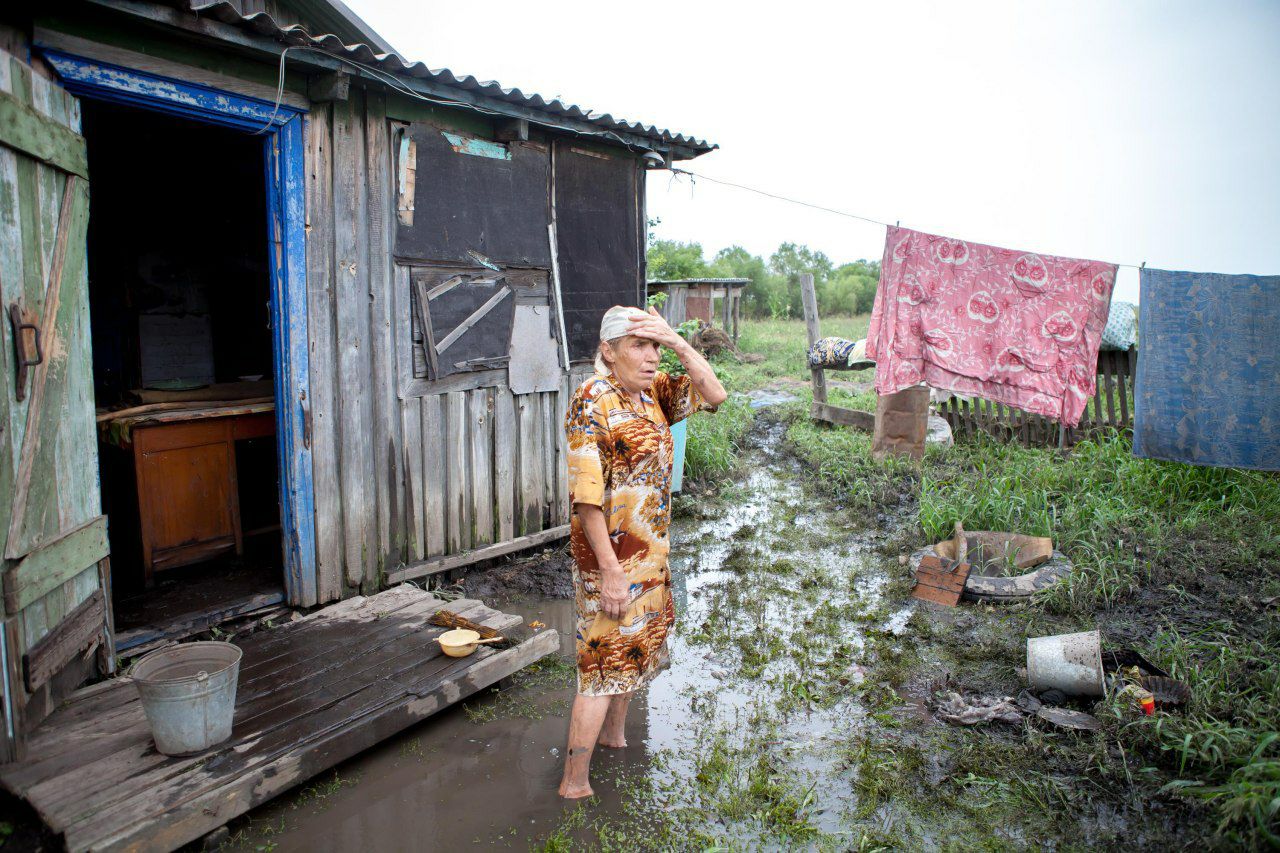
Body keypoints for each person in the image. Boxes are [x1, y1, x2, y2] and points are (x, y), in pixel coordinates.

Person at [558, 305, 727, 799]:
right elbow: (586, 498)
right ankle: (573, 784)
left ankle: (615, 737)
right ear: (609, 352)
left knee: (633, 651)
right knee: (601, 665)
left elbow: (715, 393)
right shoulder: (593, 399)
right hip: (610, 562)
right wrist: (611, 571)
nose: (651, 356)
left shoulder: (652, 394)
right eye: (639, 345)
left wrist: (676, 341)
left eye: (654, 346)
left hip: (650, 556)